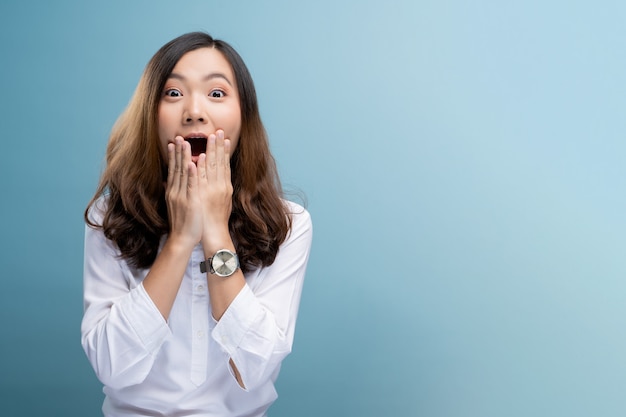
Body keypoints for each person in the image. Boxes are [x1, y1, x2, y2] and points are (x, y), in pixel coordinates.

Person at [81, 31, 312, 417]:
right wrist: (179, 239)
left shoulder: (289, 224)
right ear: (150, 115)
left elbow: (255, 369)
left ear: (244, 116)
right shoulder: (110, 218)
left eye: (217, 94)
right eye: (173, 93)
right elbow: (111, 365)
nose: (194, 111)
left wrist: (215, 233)